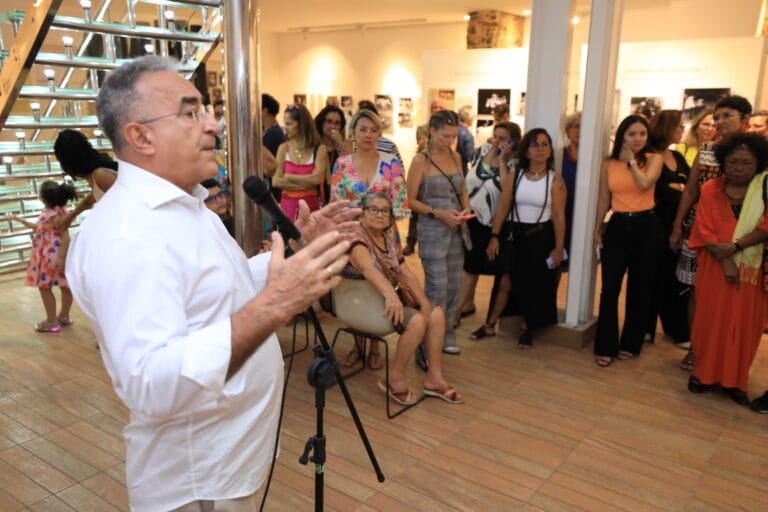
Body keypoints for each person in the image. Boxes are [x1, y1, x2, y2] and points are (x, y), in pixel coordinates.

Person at [65, 56, 358, 512]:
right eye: (190, 113)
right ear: (140, 136)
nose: (213, 124)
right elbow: (150, 382)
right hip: (196, 478)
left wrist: (297, 255)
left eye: (206, 109)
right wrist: (276, 305)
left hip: (226, 458)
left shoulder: (184, 206)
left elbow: (217, 288)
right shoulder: (125, 236)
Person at [345, 193, 463, 404]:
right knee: (417, 321)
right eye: (373, 209)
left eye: (384, 211)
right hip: (362, 301)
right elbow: (365, 266)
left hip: (384, 299)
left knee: (435, 314)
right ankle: (395, 378)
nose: (379, 214)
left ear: (391, 218)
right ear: (361, 214)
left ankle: (434, 378)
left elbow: (406, 272)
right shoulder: (356, 236)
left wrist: (425, 304)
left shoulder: (387, 239)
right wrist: (391, 295)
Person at [670, 95, 752, 370]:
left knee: (733, 295)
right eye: (716, 117)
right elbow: (692, 190)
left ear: (745, 120)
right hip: (700, 230)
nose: (719, 122)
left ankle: (725, 354)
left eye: (727, 116)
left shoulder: (756, 154)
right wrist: (677, 224)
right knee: (696, 291)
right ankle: (696, 347)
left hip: (739, 234)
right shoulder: (706, 151)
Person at [686, 133, 768, 406]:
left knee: (744, 326)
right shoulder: (710, 188)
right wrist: (725, 260)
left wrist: (734, 247)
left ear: (758, 163)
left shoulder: (764, 190)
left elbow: (766, 227)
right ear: (724, 162)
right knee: (709, 321)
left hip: (750, 269)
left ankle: (736, 381)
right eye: (733, 162)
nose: (739, 168)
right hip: (714, 266)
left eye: (746, 162)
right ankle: (702, 374)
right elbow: (704, 228)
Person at [330, 109, 409, 369]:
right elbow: (335, 204)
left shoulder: (391, 162)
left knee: (381, 285)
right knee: (354, 288)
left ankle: (375, 343)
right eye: (362, 129)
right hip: (352, 236)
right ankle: (357, 342)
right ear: (353, 132)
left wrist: (381, 231)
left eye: (373, 130)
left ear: (379, 133)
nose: (368, 135)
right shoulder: (342, 164)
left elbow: (399, 204)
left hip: (384, 236)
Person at [480, 128, 566, 347]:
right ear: (526, 151)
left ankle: (527, 328)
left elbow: (558, 216)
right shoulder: (515, 176)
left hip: (541, 237)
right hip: (515, 236)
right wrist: (494, 236)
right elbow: (503, 207)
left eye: (545, 144)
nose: (540, 149)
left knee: (535, 284)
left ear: (550, 151)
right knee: (506, 282)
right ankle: (489, 324)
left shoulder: (555, 181)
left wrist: (558, 248)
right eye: (535, 144)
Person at [593, 115, 664, 367]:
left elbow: (644, 184)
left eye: (642, 134)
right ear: (622, 136)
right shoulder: (608, 164)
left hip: (647, 227)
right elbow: (604, 198)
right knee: (609, 288)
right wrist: (597, 227)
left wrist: (631, 162)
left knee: (640, 286)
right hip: (618, 226)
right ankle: (605, 345)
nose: (637, 139)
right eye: (632, 134)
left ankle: (631, 343)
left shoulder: (655, 159)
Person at [406, 110, 471, 355]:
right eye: (445, 136)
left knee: (453, 285)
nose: (450, 141)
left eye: (453, 136)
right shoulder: (420, 161)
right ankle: (428, 339)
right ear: (432, 132)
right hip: (433, 230)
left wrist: (466, 207)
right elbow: (410, 200)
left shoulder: (455, 156)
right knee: (436, 287)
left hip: (456, 230)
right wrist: (438, 213)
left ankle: (447, 334)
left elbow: (462, 189)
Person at [456, 121, 521, 333]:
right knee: (467, 264)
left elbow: (506, 190)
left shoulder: (515, 163)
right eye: (496, 136)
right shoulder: (483, 150)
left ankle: (456, 314)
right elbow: (469, 178)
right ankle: (467, 304)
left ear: (513, 142)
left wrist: (502, 160)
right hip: (470, 215)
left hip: (492, 222)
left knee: (474, 266)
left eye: (503, 138)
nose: (497, 141)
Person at [647, 110, 691, 348]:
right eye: (678, 126)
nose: (682, 130)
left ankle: (675, 328)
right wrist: (678, 189)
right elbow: (657, 190)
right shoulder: (649, 155)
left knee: (673, 278)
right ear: (667, 127)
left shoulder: (678, 156)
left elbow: (693, 188)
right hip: (655, 224)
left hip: (677, 224)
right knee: (652, 276)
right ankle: (646, 327)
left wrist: (678, 188)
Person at [7, 181, 76, 333]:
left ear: (44, 198)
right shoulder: (60, 211)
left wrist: (61, 258)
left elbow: (65, 236)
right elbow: (42, 228)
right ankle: (64, 316)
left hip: (49, 254)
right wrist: (22, 221)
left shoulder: (53, 213)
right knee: (65, 285)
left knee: (44, 287)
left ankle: (52, 321)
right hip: (56, 253)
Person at [272, 104, 328, 221]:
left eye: (289, 124)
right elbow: (276, 181)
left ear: (301, 125)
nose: (285, 128)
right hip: (288, 209)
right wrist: (307, 184)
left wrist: (289, 177)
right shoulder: (283, 148)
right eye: (285, 123)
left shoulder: (319, 149)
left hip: (312, 209)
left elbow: (316, 179)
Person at [53, 128, 118, 227]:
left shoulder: (100, 175)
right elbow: (89, 200)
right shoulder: (96, 177)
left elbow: (131, 204)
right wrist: (70, 217)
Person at [406, 99, 445, 256]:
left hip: (441, 173)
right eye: (434, 107)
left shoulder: (446, 132)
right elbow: (423, 146)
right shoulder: (422, 128)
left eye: (440, 108)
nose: (437, 109)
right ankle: (410, 242)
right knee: (415, 208)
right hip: (422, 173)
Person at [315, 104, 349, 202]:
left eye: (337, 123)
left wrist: (339, 143)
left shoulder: (346, 144)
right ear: (321, 122)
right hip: (316, 195)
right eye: (329, 121)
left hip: (338, 196)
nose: (333, 126)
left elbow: (349, 170)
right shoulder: (314, 144)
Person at [561, 112, 581, 262]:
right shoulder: (559, 155)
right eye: (576, 127)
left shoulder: (594, 158)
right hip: (562, 212)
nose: (580, 131)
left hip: (582, 214)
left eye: (584, 127)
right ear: (567, 131)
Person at [456, 105, 476, 175]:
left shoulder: (452, 130)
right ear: (469, 118)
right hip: (462, 169)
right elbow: (469, 156)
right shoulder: (468, 136)